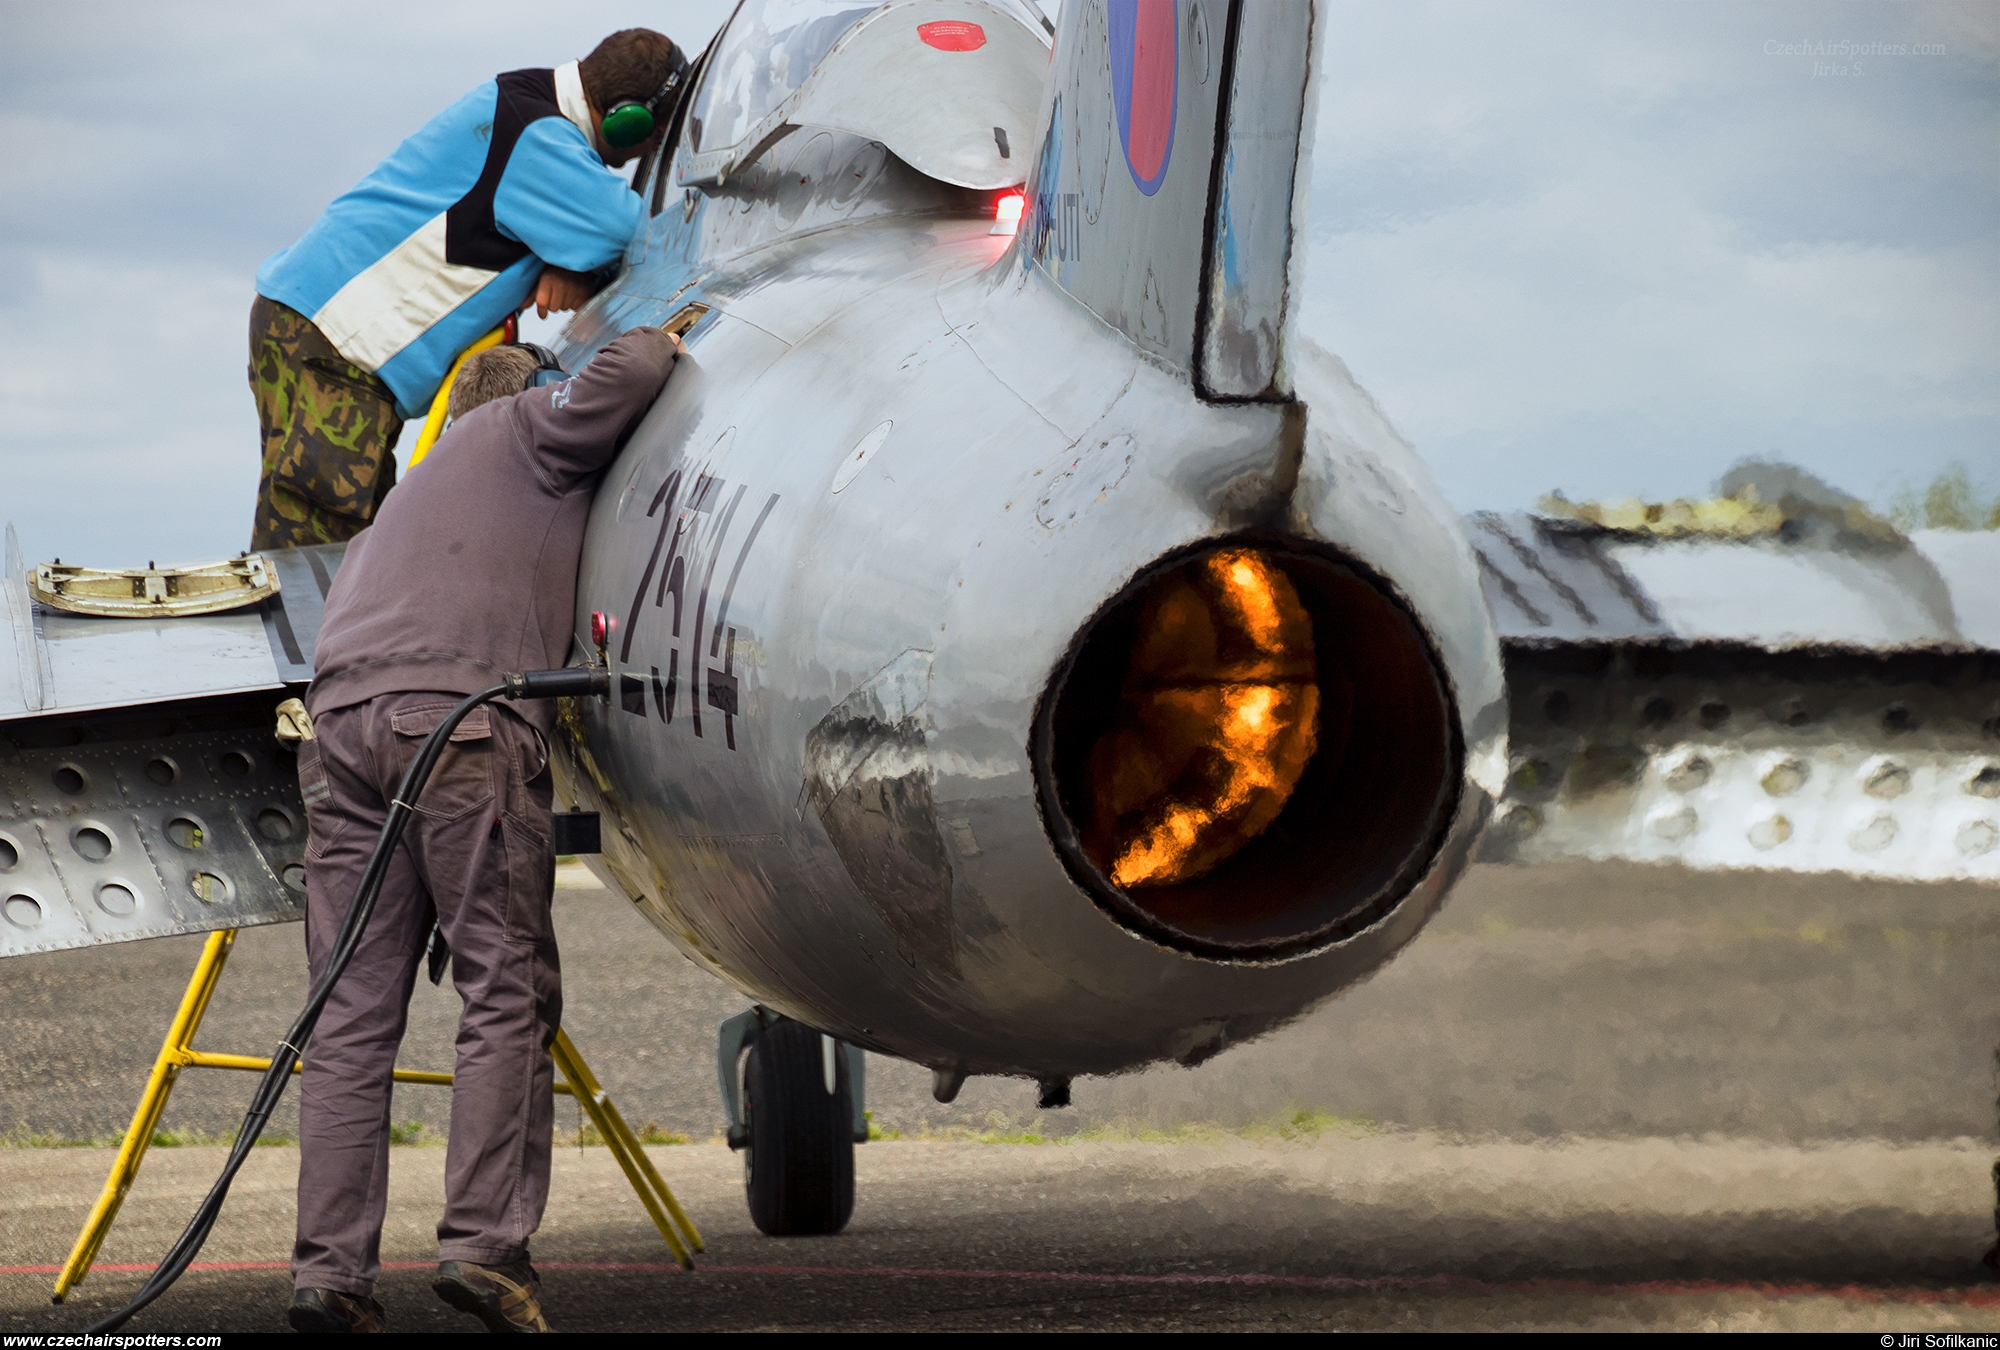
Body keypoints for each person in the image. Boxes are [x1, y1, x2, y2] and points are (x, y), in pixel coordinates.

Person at [287, 324, 683, 1334]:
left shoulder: (398, 507)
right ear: (527, 398)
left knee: (349, 1013)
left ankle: (329, 1275)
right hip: (456, 727)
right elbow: (634, 370)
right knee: (503, 989)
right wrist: (643, 329)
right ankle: (484, 1249)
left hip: (336, 736)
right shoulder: (520, 425)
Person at [247, 28, 687, 551]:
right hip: (333, 346)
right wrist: (578, 262)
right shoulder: (539, 136)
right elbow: (626, 231)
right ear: (626, 116)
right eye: (658, 128)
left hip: (311, 331)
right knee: (321, 553)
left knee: (330, 541)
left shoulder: (523, 102)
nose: (657, 142)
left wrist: (569, 263)